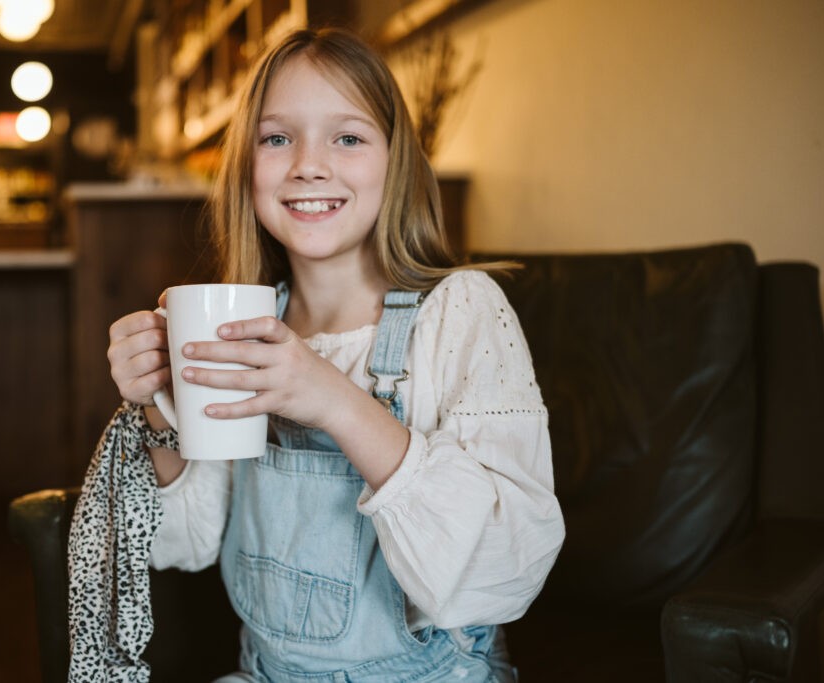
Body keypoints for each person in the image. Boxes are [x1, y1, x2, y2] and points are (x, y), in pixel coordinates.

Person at [105, 27, 565, 682]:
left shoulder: (461, 310)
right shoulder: (244, 324)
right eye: (276, 138)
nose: (308, 165)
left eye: (347, 137)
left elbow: (504, 571)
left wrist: (332, 398)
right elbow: (186, 542)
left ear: (394, 159)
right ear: (247, 167)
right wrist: (155, 404)